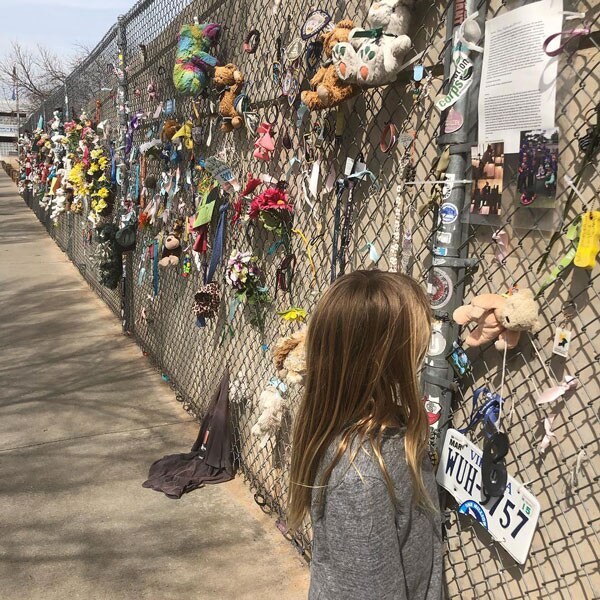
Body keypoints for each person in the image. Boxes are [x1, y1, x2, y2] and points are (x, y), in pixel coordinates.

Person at [287, 270, 443, 600]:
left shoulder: (395, 432)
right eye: (418, 336)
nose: (427, 340)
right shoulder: (361, 481)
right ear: (386, 359)